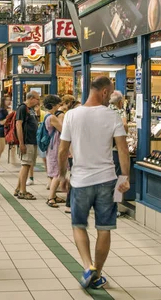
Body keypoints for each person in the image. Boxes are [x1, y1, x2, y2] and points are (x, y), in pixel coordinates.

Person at [58, 76, 130, 289]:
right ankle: (97, 271)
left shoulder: (71, 115)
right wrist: (124, 178)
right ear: (105, 92)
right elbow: (123, 150)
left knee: (79, 225)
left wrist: (62, 176)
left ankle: (88, 266)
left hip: (80, 181)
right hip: (108, 180)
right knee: (104, 227)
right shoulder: (113, 116)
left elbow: (63, 151)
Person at [15, 91, 40, 200]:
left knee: (27, 165)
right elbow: (18, 125)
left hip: (32, 141)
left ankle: (18, 188)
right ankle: (22, 191)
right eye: (37, 99)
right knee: (25, 165)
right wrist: (21, 143)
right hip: (27, 142)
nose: (39, 101)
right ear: (31, 98)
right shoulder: (22, 108)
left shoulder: (31, 110)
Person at [43, 95, 66, 208]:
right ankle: (50, 198)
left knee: (54, 172)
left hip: (52, 146)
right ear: (53, 105)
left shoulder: (48, 116)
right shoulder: (52, 117)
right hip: (55, 146)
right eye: (58, 104)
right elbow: (64, 129)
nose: (59, 106)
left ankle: (54, 195)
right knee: (57, 172)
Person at [109, 91, 128, 177]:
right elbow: (124, 125)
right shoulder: (120, 111)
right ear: (120, 102)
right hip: (115, 148)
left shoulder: (106, 109)